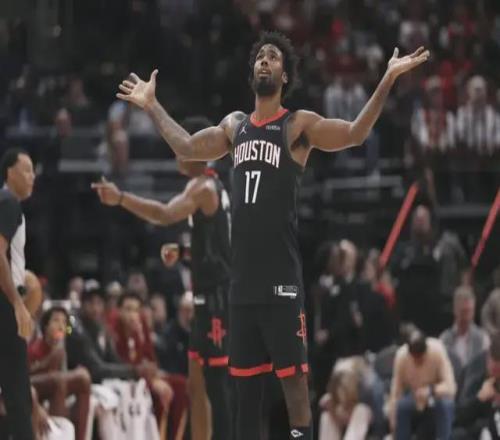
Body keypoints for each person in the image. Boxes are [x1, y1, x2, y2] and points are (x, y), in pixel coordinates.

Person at [115, 30, 429, 440]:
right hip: (241, 285)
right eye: (260, 56)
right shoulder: (235, 126)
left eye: (273, 57)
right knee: (244, 395)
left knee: (295, 387)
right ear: (253, 73)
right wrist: (153, 105)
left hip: (282, 280)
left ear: (284, 76)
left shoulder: (296, 125)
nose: (264, 60)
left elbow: (354, 133)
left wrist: (387, 78)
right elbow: (188, 147)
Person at [92, 116, 232, 439]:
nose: (177, 152)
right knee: (197, 386)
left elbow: (165, 214)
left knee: (216, 389)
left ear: (200, 148)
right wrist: (184, 253)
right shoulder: (210, 185)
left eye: (182, 145)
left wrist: (121, 198)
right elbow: (220, 248)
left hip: (218, 300)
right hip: (207, 297)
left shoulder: (203, 187)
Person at [0, 148, 36, 440]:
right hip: (5, 304)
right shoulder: (8, 202)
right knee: (18, 394)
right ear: (9, 172)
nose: (32, 176)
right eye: (27, 170)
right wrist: (17, 304)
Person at [389, 329, 456, 440]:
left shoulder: (437, 350)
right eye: (414, 358)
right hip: (414, 396)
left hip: (436, 396)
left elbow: (451, 387)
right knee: (401, 406)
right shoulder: (401, 356)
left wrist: (431, 390)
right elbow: (396, 392)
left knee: (445, 404)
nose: (417, 362)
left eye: (420, 358)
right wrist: (393, 421)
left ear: (426, 351)